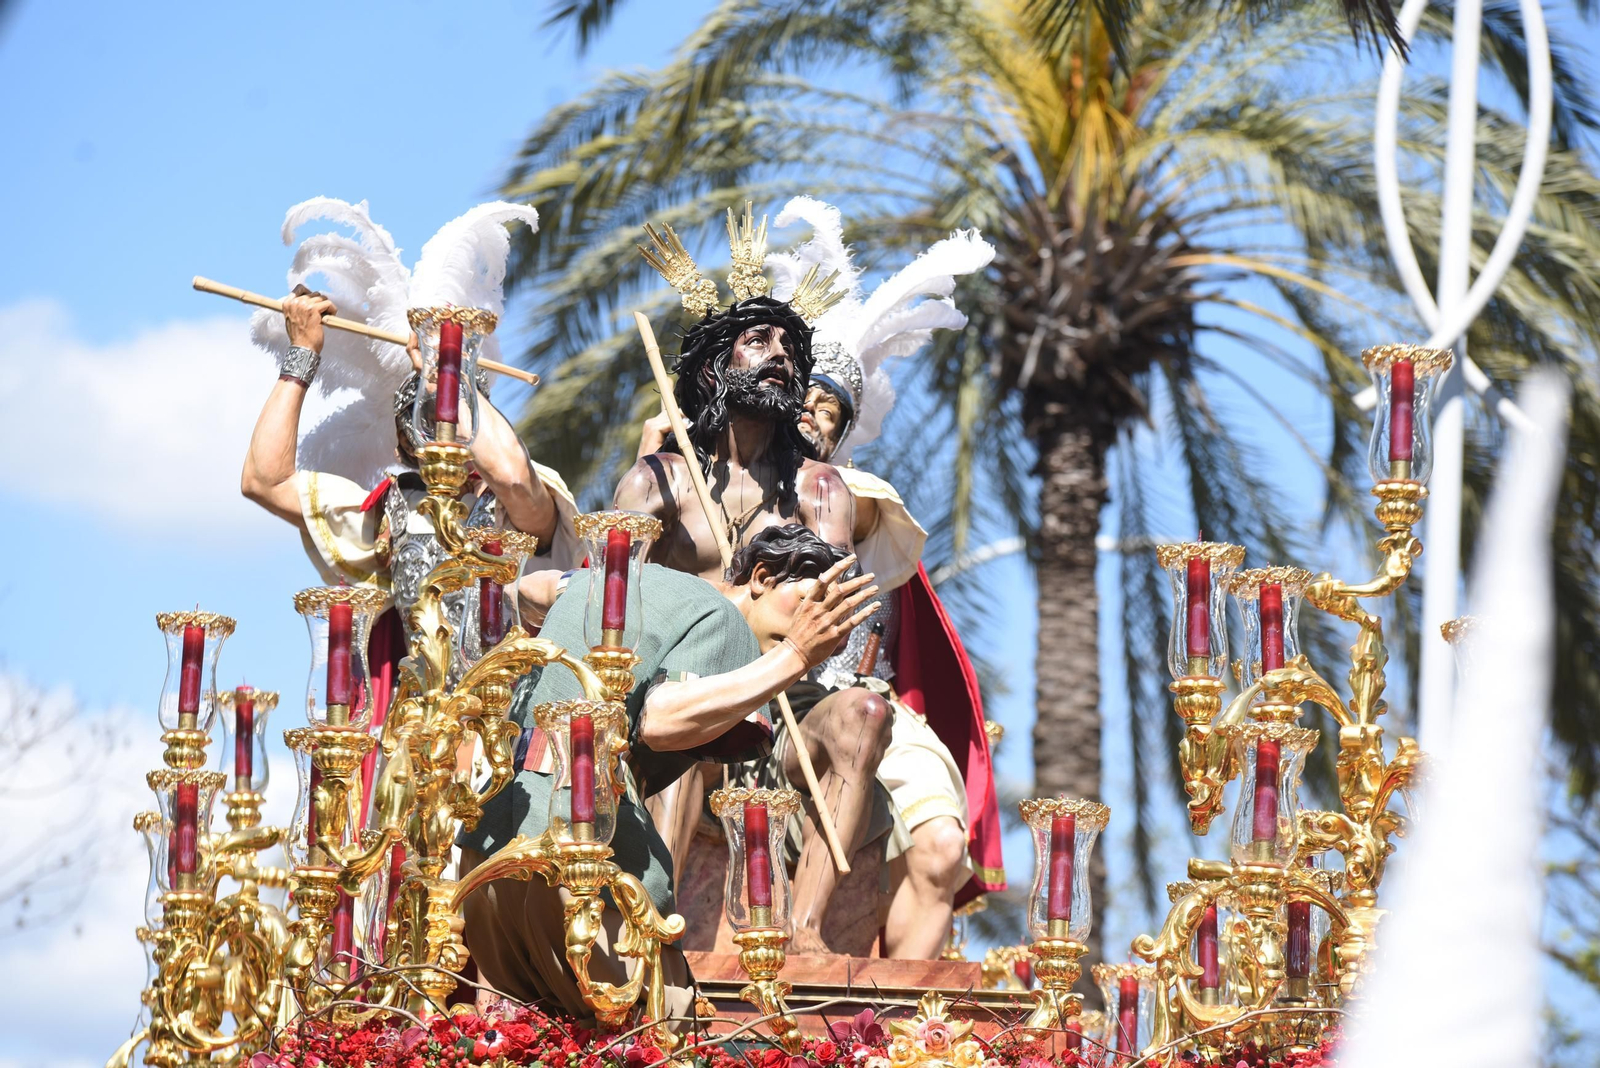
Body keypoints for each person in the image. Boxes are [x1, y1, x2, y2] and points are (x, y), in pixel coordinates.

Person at [457, 524, 879, 1020]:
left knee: (543, 1035)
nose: (811, 628)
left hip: (489, 850)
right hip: (582, 852)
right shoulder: (726, 618)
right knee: (666, 1023)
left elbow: (530, 589)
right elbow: (660, 721)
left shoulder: (617, 582)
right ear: (761, 578)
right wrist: (795, 656)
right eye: (807, 606)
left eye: (826, 634)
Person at [622, 205, 894, 951]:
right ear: (717, 366)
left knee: (865, 716)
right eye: (759, 340)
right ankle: (654, 926)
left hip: (789, 699)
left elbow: (831, 615)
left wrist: (764, 632)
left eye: (788, 346)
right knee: (696, 726)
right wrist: (732, 613)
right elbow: (611, 603)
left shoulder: (819, 490)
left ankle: (804, 932)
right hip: (686, 695)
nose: (779, 355)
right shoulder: (658, 481)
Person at [765, 196, 1007, 956]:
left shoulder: (862, 497)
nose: (816, 417)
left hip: (868, 698)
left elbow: (847, 514)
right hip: (764, 692)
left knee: (942, 846)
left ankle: (904, 1018)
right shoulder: (731, 487)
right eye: (805, 401)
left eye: (832, 412)